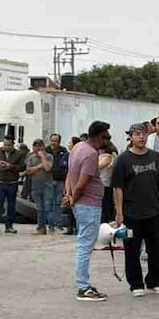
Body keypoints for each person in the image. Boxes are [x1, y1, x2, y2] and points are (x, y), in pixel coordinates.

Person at [112, 123, 159, 296]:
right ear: (131, 136)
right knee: (132, 250)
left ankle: (155, 281)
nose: (141, 137)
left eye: (144, 134)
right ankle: (136, 284)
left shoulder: (156, 158)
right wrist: (119, 212)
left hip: (155, 212)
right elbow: (118, 188)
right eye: (137, 134)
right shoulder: (123, 160)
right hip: (132, 214)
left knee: (158, 249)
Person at [65, 120, 111, 301]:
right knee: (85, 246)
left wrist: (69, 196)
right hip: (88, 204)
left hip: (81, 203)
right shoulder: (91, 154)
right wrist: (73, 198)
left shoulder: (77, 148)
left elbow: (70, 174)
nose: (108, 139)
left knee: (83, 244)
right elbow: (82, 184)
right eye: (107, 136)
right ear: (100, 136)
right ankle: (83, 287)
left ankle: (83, 285)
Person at [0, 134, 25, 234]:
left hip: (12, 183)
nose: (6, 147)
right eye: (5, 145)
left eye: (8, 145)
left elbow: (22, 167)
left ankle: (9, 226)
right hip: (0, 182)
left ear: (13, 145)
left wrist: (10, 166)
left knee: (11, 205)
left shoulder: (19, 154)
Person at [25, 139, 57, 235]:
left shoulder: (49, 156)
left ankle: (51, 228)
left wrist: (43, 157)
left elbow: (47, 168)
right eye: (35, 146)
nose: (37, 148)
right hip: (35, 186)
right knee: (39, 209)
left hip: (47, 186)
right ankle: (41, 228)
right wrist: (39, 166)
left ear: (43, 147)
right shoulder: (31, 158)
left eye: (39, 146)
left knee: (48, 208)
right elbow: (28, 171)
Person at [99, 141, 118, 224]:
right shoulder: (114, 156)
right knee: (107, 204)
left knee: (104, 205)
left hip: (104, 183)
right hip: (108, 183)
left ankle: (104, 222)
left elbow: (98, 167)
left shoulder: (107, 156)